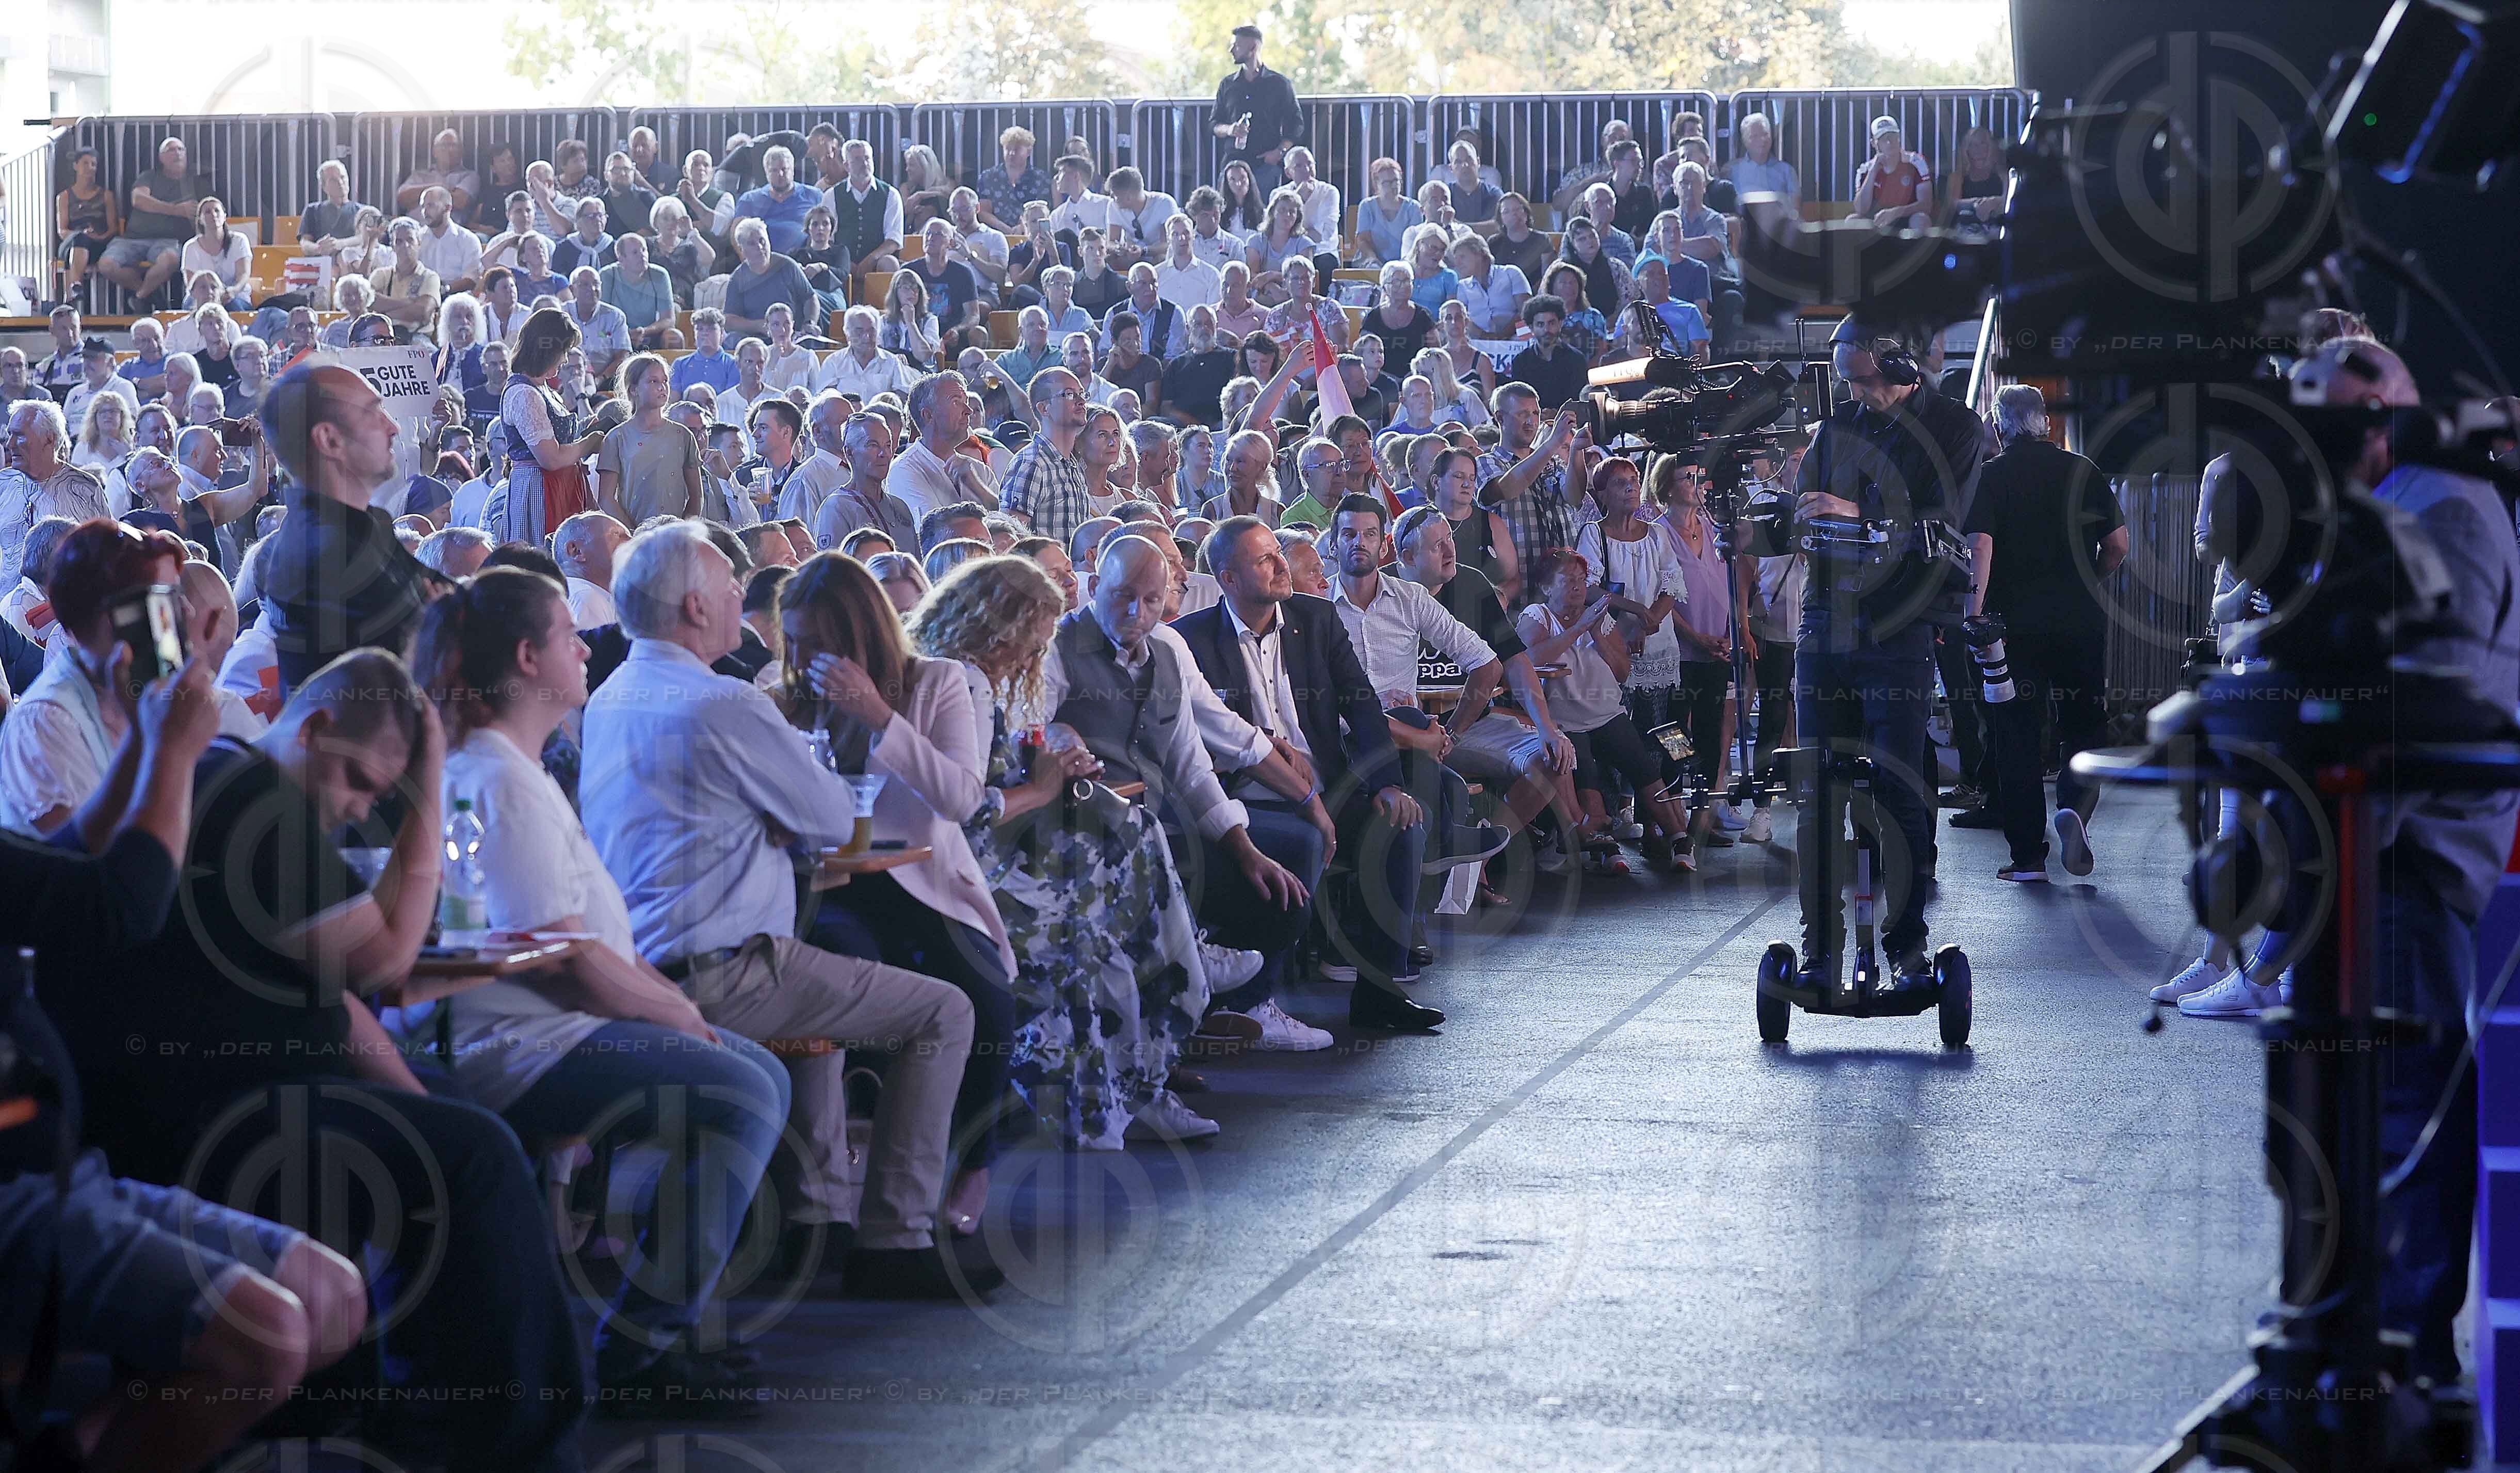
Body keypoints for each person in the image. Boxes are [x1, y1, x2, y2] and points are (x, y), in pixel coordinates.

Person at [45, 645, 591, 1469]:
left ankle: (419, 1408)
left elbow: (333, 1006)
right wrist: (429, 782)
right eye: (361, 783)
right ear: (316, 729)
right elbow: (383, 961)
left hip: (223, 1089)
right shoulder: (251, 798)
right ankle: (523, 1449)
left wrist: (426, 1107)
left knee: (454, 1117)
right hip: (194, 1115)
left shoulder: (243, 786)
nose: (359, 808)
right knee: (473, 1152)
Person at [579, 522, 995, 1294]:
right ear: (696, 607)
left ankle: (816, 1215)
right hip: (722, 969)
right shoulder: (727, 700)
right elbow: (834, 820)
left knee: (827, 977)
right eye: (731, 586)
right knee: (945, 1012)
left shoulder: (611, 695)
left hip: (637, 962)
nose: (746, 598)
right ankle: (895, 1238)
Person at [402, 567, 780, 1410]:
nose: (584, 648)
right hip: (519, 1040)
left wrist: (672, 1008)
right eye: (568, 635)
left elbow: (588, 937)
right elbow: (559, 958)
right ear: (527, 658)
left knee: (756, 1073)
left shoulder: (515, 766)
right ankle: (644, 1347)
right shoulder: (494, 777)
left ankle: (665, 1322)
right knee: (743, 1089)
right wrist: (673, 1010)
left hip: (555, 1023)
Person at [908, 554, 1236, 1145]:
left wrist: (1041, 762)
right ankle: (1144, 1047)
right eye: (1030, 647)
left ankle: (1157, 1019)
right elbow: (967, 805)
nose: (1031, 660)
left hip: (974, 858)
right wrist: (1040, 787)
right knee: (1098, 927)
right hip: (965, 869)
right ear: (998, 630)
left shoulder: (954, 671)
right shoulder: (967, 681)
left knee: (1129, 836)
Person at [774, 552, 1020, 1237]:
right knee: (835, 979)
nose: (802, 657)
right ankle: (831, 1182)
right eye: (792, 640)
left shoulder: (936, 682)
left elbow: (962, 799)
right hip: (830, 886)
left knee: (988, 995)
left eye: (816, 642)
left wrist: (880, 716)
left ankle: (975, 1162)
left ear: (857, 634)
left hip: (921, 878)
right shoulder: (781, 692)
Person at [1737, 324, 1982, 987]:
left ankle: (1907, 949)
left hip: (1901, 628)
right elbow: (1805, 512)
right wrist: (1769, 523)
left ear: (1901, 366)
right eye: (1846, 379)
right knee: (1818, 791)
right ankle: (1820, 950)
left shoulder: (1954, 428)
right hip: (1827, 620)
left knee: (1898, 789)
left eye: (1865, 379)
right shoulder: (1839, 425)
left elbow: (1940, 523)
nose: (1855, 392)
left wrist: (1854, 512)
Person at [1042, 532, 1321, 1047]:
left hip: (1157, 828)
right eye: (1123, 595)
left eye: (1152, 599)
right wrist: (1055, 737)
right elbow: (1024, 733)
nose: (1138, 612)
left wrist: (1245, 850)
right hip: (1080, 834)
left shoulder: (1169, 651)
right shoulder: (1057, 650)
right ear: (1095, 586)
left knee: (1282, 898)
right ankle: (1179, 998)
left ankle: (1217, 1011)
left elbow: (1192, 766)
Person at [1171, 517, 1444, 1027]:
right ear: (1228, 578)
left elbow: (1362, 705)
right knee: (1304, 841)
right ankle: (1256, 1002)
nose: (1282, 566)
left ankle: (1379, 993)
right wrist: (1264, 748)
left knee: (1401, 826)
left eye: (1279, 554)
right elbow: (1195, 737)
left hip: (1327, 787)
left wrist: (1387, 783)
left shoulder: (1316, 619)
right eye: (1265, 560)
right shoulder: (1190, 639)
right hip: (1246, 799)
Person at [1961, 384, 2125, 884]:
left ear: (1998, 427)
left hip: (2014, 629)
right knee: (2085, 723)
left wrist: (1974, 614)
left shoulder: (1990, 476)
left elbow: (1981, 546)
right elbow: (2118, 545)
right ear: (2046, 422)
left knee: (2016, 733)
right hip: (2080, 621)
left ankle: (2028, 857)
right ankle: (2075, 805)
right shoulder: (2084, 470)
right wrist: (2088, 582)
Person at [1517, 548, 1694, 871]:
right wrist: (1579, 629)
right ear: (1546, 587)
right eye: (1568, 580)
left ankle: (1680, 838)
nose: (1578, 586)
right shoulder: (1536, 616)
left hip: (1608, 714)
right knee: (1587, 778)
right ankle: (1604, 844)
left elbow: (1623, 672)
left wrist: (1597, 633)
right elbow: (1528, 661)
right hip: (1565, 723)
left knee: (1645, 770)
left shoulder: (1599, 617)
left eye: (1582, 579)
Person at [94, 136, 201, 307]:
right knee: (106, 265)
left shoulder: (195, 182)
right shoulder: (150, 176)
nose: (177, 154)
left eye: (181, 149)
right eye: (171, 150)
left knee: (171, 260)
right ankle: (152, 294)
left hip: (168, 241)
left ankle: (141, 296)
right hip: (132, 239)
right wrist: (175, 210)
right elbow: (139, 200)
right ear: (161, 157)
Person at [1212, 24, 1306, 198]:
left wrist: (1279, 152)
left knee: (1267, 210)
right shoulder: (1227, 84)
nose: (1231, 50)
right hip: (1233, 165)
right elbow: (1214, 124)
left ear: (1253, 47)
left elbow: (1296, 124)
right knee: (1227, 210)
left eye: (1237, 45)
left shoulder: (1279, 84)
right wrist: (1230, 129)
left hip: (1265, 164)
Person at [812, 410, 922, 550]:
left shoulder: (900, 507)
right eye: (873, 445)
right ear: (849, 452)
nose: (884, 454)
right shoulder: (836, 508)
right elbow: (833, 563)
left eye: (888, 445)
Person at [827, 138, 905, 274]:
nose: (864, 163)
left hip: (878, 261)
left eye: (867, 158)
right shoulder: (832, 195)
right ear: (846, 166)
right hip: (842, 261)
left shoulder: (891, 194)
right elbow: (827, 238)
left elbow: (894, 240)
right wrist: (844, 261)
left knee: (890, 263)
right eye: (857, 160)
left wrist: (872, 259)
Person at [815, 305, 918, 404]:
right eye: (859, 332)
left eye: (871, 331)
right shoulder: (834, 362)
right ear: (848, 335)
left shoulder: (892, 361)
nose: (867, 337)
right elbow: (825, 399)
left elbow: (903, 397)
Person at [1508, 296, 1589, 412]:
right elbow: (1520, 402)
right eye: (1540, 325)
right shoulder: (1521, 362)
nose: (1547, 330)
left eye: (1551, 323)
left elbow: (1578, 402)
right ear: (1531, 328)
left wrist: (1556, 414)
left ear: (1560, 323)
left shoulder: (1576, 359)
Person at [1853, 115, 1934, 228]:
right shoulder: (1865, 170)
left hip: (1907, 218)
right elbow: (1861, 209)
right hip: (1877, 220)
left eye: (1892, 136)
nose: (1889, 142)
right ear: (1874, 144)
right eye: (1883, 139)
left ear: (1899, 138)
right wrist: (1873, 172)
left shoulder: (1916, 162)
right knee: (1852, 221)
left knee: (1921, 219)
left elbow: (1926, 205)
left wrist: (1896, 213)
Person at [976, 125, 1052, 230]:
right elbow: (983, 211)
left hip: (1031, 234)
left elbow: (1045, 212)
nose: (1011, 153)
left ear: (1029, 152)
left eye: (1017, 149)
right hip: (995, 235)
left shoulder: (1042, 178)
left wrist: (1022, 227)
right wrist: (1004, 228)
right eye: (1008, 149)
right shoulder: (988, 177)